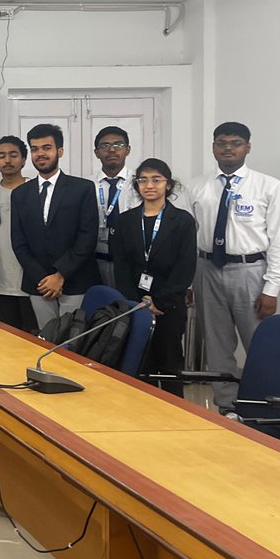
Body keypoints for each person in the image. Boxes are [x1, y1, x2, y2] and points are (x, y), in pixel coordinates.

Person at [189, 122, 280, 413]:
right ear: (213, 148)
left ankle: (267, 408)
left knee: (260, 344)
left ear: (248, 147)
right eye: (222, 143)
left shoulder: (268, 186)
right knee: (218, 346)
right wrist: (188, 282)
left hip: (251, 273)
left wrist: (272, 288)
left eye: (235, 143)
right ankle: (227, 407)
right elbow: (186, 237)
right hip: (206, 268)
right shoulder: (198, 186)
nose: (228, 148)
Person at [111, 159, 197, 396]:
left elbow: (185, 266)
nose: (149, 185)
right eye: (143, 180)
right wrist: (136, 302)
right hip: (136, 304)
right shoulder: (126, 220)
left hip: (169, 304)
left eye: (156, 180)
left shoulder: (182, 221)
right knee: (140, 362)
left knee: (169, 362)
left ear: (168, 185)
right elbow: (122, 265)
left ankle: (175, 415)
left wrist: (159, 300)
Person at [11, 124, 100, 325]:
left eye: (46, 147)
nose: (40, 154)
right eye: (34, 149)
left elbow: (87, 237)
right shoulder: (20, 194)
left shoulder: (82, 188)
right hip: (39, 283)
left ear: (59, 151)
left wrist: (60, 275)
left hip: (75, 280)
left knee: (72, 344)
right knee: (46, 340)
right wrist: (43, 278)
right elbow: (18, 242)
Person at [0, 136, 37, 333]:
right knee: (8, 336)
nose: (7, 160)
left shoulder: (37, 190)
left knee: (36, 335)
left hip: (33, 278)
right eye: (2, 156)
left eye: (13, 155)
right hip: (1, 278)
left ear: (24, 159)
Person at [92, 126, 140, 286]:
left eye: (118, 145)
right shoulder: (87, 186)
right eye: (104, 146)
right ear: (96, 152)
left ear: (128, 150)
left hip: (133, 261)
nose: (111, 150)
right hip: (96, 261)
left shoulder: (141, 183)